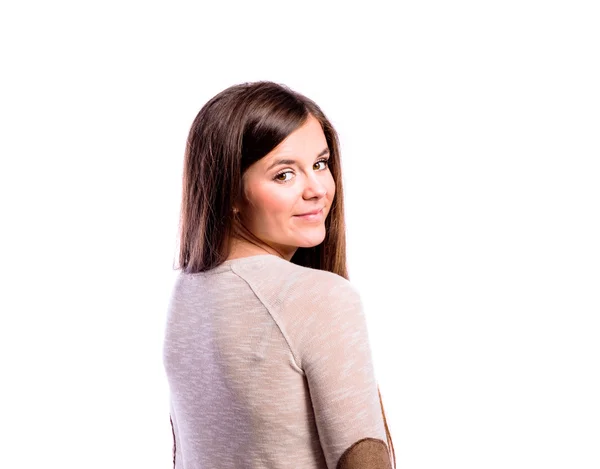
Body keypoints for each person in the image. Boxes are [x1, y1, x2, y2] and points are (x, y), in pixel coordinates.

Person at [162, 81, 396, 469]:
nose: (317, 188)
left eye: (320, 164)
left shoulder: (188, 294)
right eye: (284, 174)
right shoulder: (318, 296)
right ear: (231, 193)